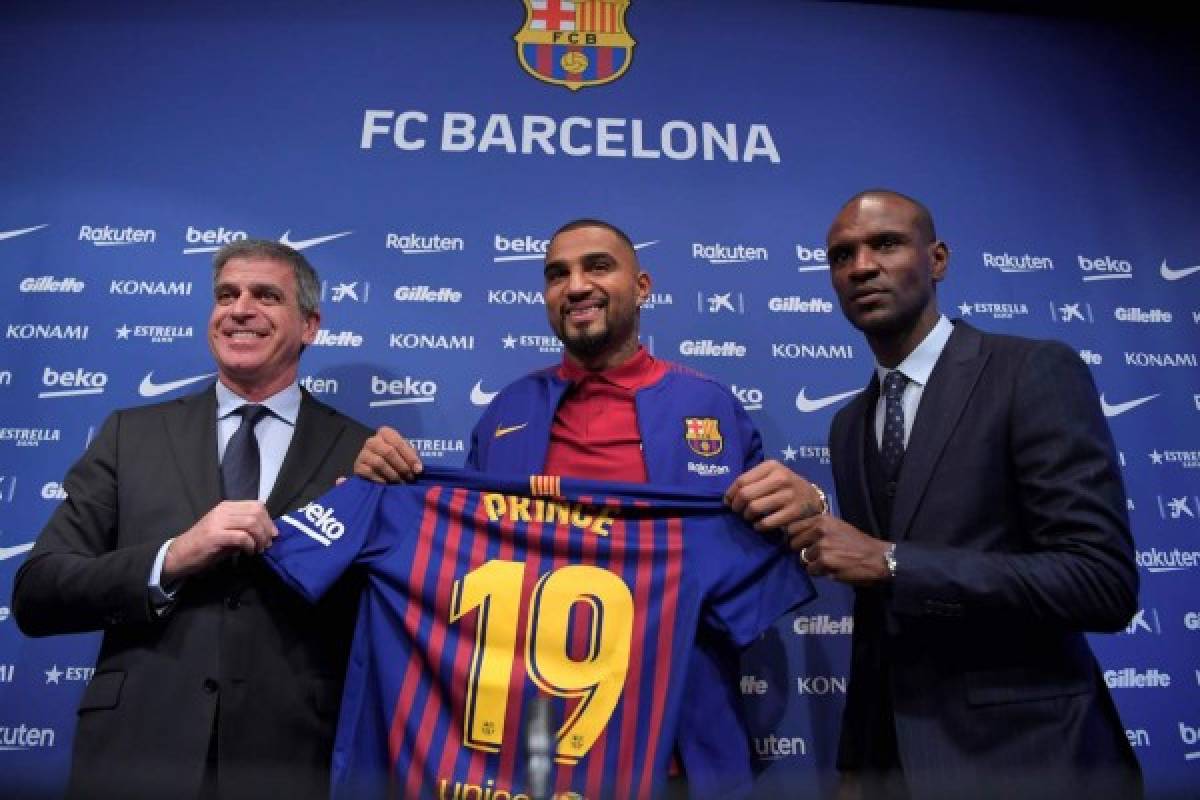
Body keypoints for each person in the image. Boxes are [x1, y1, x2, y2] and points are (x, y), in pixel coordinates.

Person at [353, 218, 826, 796]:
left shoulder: (710, 404)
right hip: (524, 755)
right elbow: (461, 559)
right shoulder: (507, 410)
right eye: (557, 275)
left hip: (673, 748)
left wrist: (811, 503)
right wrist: (382, 485)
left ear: (643, 285)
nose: (575, 286)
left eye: (597, 266)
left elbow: (766, 549)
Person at [786, 190, 1142, 799]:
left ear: (938, 259)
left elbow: (1101, 583)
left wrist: (893, 561)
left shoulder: (1030, 371)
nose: (861, 266)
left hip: (1036, 760)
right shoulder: (849, 425)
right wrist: (857, 763)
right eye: (842, 255)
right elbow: (878, 622)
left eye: (886, 244)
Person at [13, 240, 373, 800]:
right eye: (226, 294)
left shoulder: (362, 453)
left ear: (310, 325)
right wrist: (171, 558)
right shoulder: (130, 435)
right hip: (136, 755)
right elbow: (37, 593)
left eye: (266, 295)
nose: (240, 308)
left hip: (292, 760)